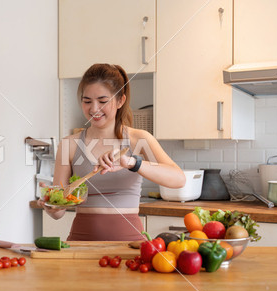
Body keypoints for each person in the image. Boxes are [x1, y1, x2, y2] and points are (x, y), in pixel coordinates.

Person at [38, 63, 186, 241]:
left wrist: (132, 163)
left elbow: (179, 179)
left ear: (120, 101)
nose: (94, 109)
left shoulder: (138, 139)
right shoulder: (69, 144)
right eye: (87, 101)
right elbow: (59, 212)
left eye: (102, 101)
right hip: (80, 245)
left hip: (131, 245)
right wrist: (51, 204)